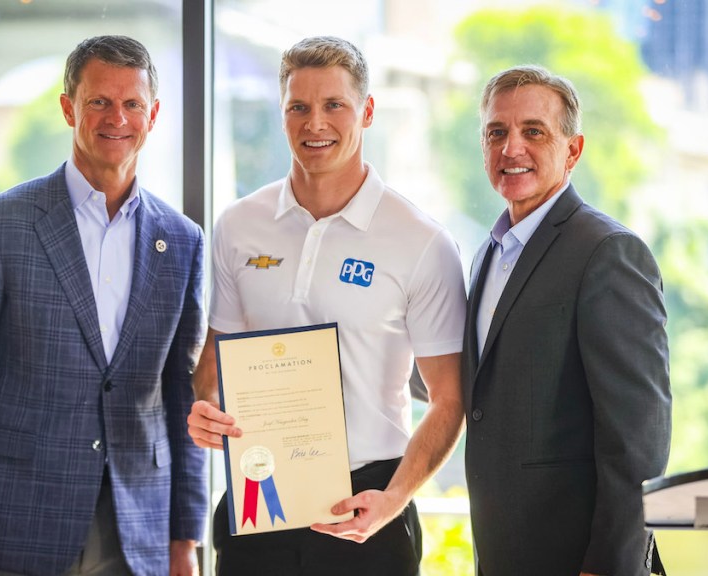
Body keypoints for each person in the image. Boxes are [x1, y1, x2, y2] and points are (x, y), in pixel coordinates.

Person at [0, 35, 207, 576]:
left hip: (138, 529)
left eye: (132, 104)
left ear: (154, 114)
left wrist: (184, 536)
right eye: (99, 101)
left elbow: (180, 395)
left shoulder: (183, 239)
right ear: (69, 106)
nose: (116, 117)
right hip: (16, 522)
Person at [186, 36, 466, 576]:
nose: (315, 123)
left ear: (366, 110)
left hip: (370, 507)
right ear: (283, 112)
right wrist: (204, 411)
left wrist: (395, 497)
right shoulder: (239, 225)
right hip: (257, 497)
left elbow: (449, 400)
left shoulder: (421, 241)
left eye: (333, 105)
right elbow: (214, 366)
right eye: (299, 107)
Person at [463, 64, 671, 576]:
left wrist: (608, 563)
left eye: (533, 131)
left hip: (579, 558)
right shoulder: (487, 255)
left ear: (572, 150)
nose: (511, 148)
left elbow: (637, 439)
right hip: (503, 552)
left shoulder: (608, 252)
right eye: (497, 133)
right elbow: (484, 387)